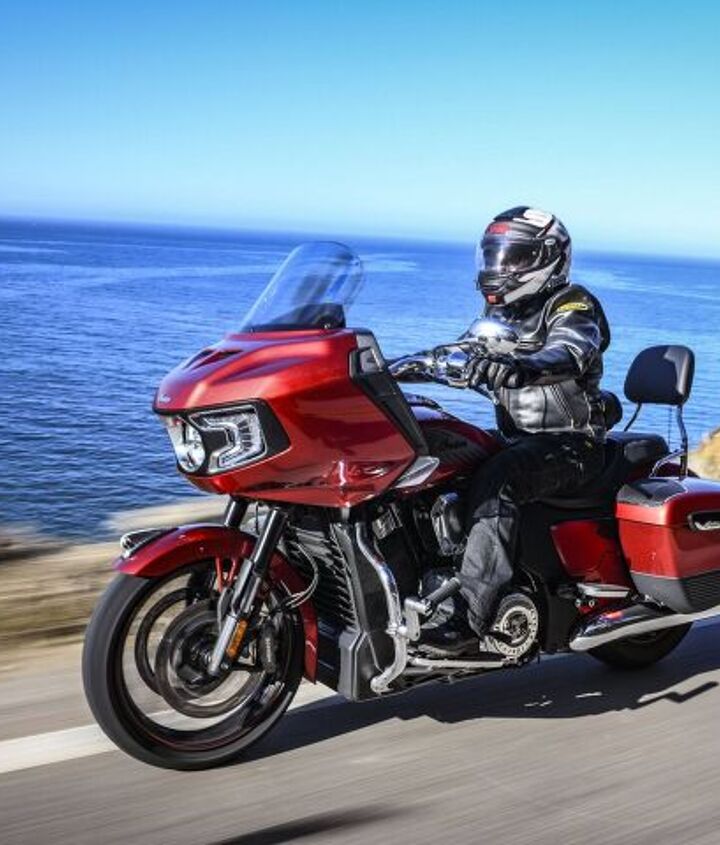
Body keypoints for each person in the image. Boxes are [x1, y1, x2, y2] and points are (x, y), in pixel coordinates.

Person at [422, 206, 611, 655]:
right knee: (437, 458)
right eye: (495, 255)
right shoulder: (500, 313)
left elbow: (571, 349)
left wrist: (524, 366)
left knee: (498, 479)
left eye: (515, 257)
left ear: (548, 258)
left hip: (573, 444)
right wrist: (388, 369)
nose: (500, 266)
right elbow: (460, 351)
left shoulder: (572, 303)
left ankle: (471, 616)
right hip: (518, 439)